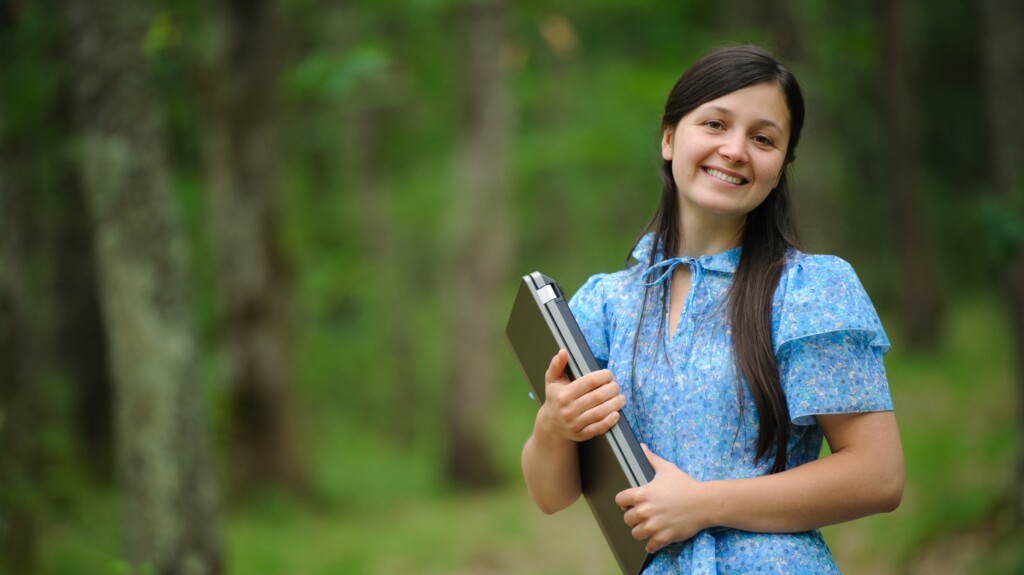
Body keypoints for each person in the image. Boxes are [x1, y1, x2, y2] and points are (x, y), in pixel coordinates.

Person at [520, 45, 904, 574]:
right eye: (716, 124)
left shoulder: (810, 289)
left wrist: (703, 504)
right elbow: (551, 495)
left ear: (780, 166)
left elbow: (878, 476)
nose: (736, 149)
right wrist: (553, 426)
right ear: (669, 137)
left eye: (763, 138)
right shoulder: (605, 303)